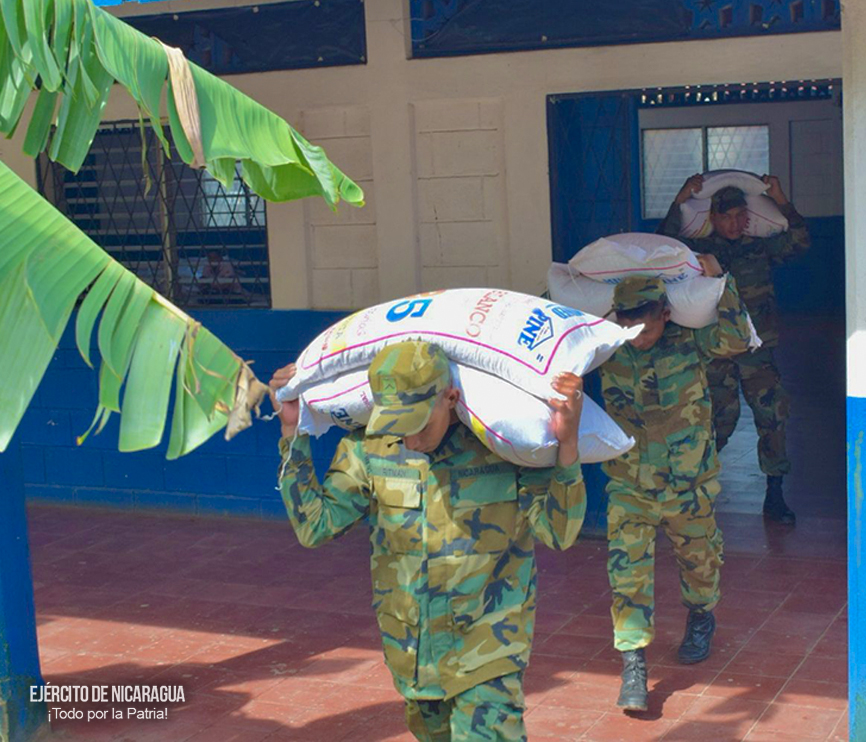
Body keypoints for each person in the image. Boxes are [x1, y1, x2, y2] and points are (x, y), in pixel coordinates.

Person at [269, 340, 586, 741]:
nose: (411, 441)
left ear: (450, 398)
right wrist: (291, 433)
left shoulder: (506, 445)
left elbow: (559, 533)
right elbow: (315, 526)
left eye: (420, 424)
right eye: (398, 427)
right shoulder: (369, 448)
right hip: (412, 654)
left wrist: (567, 446)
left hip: (487, 649)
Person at [599, 263, 755, 712]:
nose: (635, 334)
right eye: (625, 323)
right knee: (626, 571)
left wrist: (725, 281)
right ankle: (633, 661)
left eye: (642, 324)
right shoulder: (608, 348)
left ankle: (701, 615)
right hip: (630, 482)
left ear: (665, 314)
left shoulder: (690, 342)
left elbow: (737, 338)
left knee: (699, 559)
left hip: (689, 481)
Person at [656, 174, 811, 524]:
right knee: (717, 423)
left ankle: (775, 493)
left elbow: (800, 243)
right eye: (726, 216)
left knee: (772, 415)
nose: (735, 223)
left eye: (741, 215)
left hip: (757, 350)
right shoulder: (699, 254)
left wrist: (781, 199)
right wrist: (679, 200)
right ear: (712, 218)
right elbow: (664, 245)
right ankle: (696, 489)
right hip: (717, 350)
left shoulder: (759, 247)